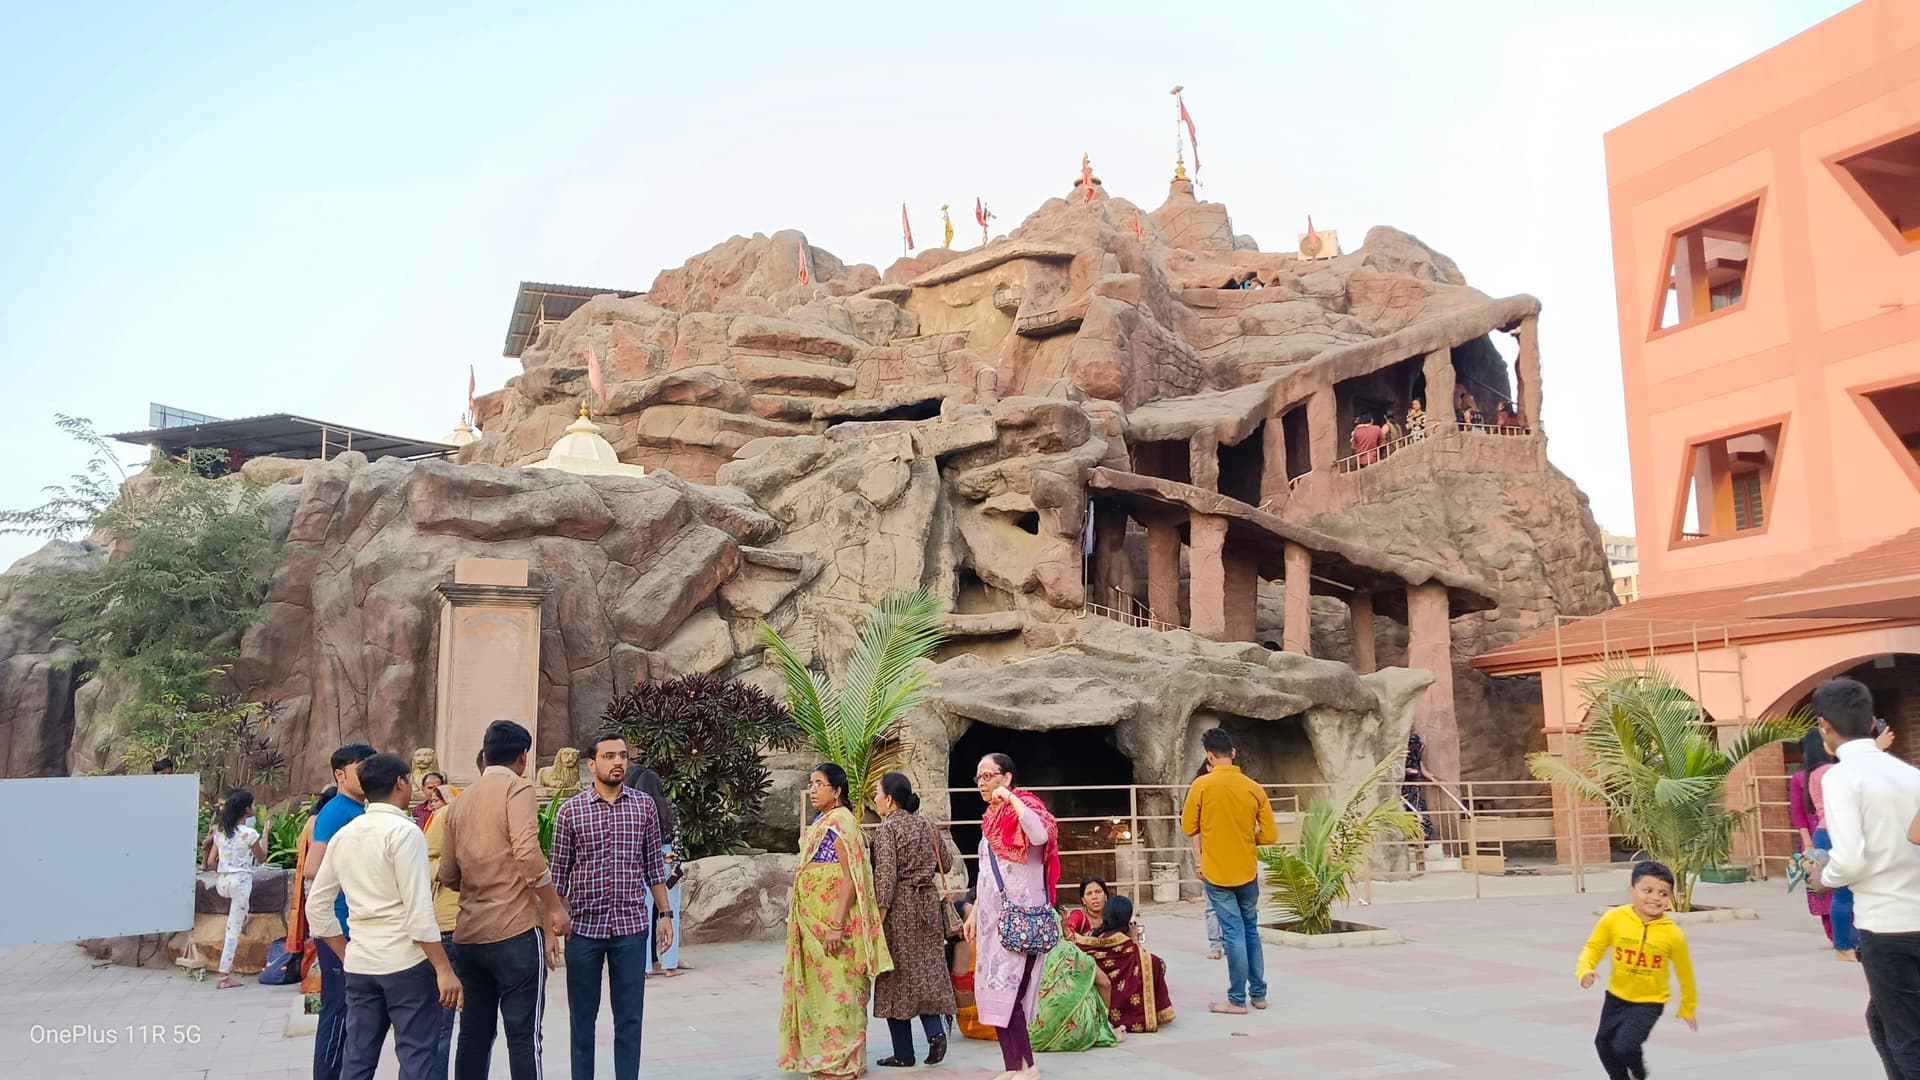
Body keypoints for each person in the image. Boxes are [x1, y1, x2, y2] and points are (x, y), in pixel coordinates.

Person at [306, 753, 464, 1080]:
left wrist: (345, 951)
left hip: (361, 964)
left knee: (358, 1059)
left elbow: (316, 907)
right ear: (400, 784)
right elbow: (419, 912)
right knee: (417, 1057)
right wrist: (443, 968)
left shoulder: (345, 835)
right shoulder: (405, 833)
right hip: (405, 965)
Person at [438, 720, 570, 1080]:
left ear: (486, 752)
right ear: (523, 756)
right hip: (514, 933)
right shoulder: (518, 788)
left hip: (468, 936)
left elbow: (448, 875)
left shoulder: (460, 803)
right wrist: (555, 906)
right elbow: (528, 853)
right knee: (524, 1037)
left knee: (474, 1036)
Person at [1808, 678, 1920, 1077]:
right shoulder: (1909, 774)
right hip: (1915, 914)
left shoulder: (1841, 776)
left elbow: (1850, 859)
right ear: (1873, 721)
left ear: (1825, 725)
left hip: (1885, 926)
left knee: (1904, 1038)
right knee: (1883, 1022)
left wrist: (1825, 877)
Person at [551, 732, 671, 1080]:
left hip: (631, 930)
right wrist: (549, 929)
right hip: (583, 931)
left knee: (630, 1020)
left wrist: (665, 914)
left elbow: (653, 867)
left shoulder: (643, 806)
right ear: (592, 765)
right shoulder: (570, 812)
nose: (618, 762)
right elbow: (558, 877)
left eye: (622, 756)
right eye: (609, 756)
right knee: (582, 1022)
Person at [778, 764, 893, 1080]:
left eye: (819, 784)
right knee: (823, 991)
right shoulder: (822, 821)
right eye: (811, 783)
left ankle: (844, 1062)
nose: (813, 790)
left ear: (837, 790)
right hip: (812, 922)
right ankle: (831, 1057)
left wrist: (836, 924)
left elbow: (849, 878)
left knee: (841, 989)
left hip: (833, 924)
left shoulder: (842, 823)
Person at [965, 752, 1059, 1080]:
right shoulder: (990, 821)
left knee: (1014, 994)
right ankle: (1012, 1066)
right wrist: (975, 911)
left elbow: (1039, 836)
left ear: (1007, 778)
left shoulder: (1029, 809)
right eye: (978, 777)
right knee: (998, 994)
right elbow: (985, 874)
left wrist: (1012, 800)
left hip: (1024, 920)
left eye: (989, 776)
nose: (982, 783)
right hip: (995, 923)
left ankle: (1027, 1066)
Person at [1181, 727, 1277, 1015]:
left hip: (1217, 873)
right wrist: (1248, 838)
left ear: (1209, 756)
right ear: (1233, 753)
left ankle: (1236, 1000)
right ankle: (1258, 994)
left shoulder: (1201, 786)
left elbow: (1188, 827)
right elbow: (1270, 835)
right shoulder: (1253, 788)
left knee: (1233, 933)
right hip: (1247, 871)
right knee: (1250, 930)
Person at [1576, 860, 1697, 1080]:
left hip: (1649, 1002)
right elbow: (1594, 946)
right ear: (1631, 891)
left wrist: (1688, 1006)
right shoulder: (1614, 918)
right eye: (1647, 891)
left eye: (1663, 894)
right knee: (1603, 1045)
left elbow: (1684, 971)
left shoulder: (1672, 934)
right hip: (1616, 998)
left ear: (1669, 899)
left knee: (1625, 1046)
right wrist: (1585, 969)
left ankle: (1639, 1075)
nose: (1654, 898)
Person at [870, 771, 958, 1068]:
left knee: (896, 976)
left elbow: (884, 879)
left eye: (877, 794)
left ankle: (904, 1053)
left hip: (901, 907)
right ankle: (935, 1034)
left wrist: (877, 920)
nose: (875, 799)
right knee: (927, 972)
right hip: (928, 904)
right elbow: (945, 863)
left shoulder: (886, 830)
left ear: (890, 799)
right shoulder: (927, 824)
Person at [305, 743, 377, 1080]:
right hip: (338, 924)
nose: (365, 773)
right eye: (359, 766)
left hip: (353, 923)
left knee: (352, 1012)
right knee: (338, 1010)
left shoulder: (356, 809)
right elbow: (312, 867)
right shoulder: (337, 811)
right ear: (340, 774)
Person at [1068, 895, 1175, 1034]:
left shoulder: (1091, 937)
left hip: (1095, 1002)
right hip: (1118, 998)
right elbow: (1141, 959)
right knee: (1154, 962)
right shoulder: (1126, 944)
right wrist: (1135, 939)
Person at [203, 788, 267, 990]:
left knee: (237, 918)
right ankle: (224, 975)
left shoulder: (220, 831)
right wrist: (266, 834)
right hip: (241, 882)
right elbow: (262, 857)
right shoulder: (250, 834)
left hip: (223, 881)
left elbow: (212, 861)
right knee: (233, 929)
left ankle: (244, 915)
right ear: (247, 810)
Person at [420, 772, 462, 1080]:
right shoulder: (446, 816)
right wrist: (453, 869)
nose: (433, 801)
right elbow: (424, 859)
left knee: (478, 1020)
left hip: (485, 926)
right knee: (443, 1018)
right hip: (449, 923)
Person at [628, 768, 686, 977]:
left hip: (644, 860)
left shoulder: (636, 809)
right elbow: (678, 839)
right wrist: (676, 866)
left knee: (643, 914)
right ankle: (670, 965)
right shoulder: (670, 808)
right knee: (670, 912)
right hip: (668, 858)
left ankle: (643, 967)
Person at [289, 785, 338, 996]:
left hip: (314, 882)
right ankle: (314, 979)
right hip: (321, 880)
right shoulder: (320, 821)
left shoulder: (311, 820)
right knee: (322, 932)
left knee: (316, 932)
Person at [1791, 731, 1836, 944]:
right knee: (1819, 886)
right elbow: (1797, 812)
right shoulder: (1799, 778)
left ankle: (1843, 931)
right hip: (1812, 834)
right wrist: (1807, 841)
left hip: (1834, 831)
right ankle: (1831, 933)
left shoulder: (1835, 772)